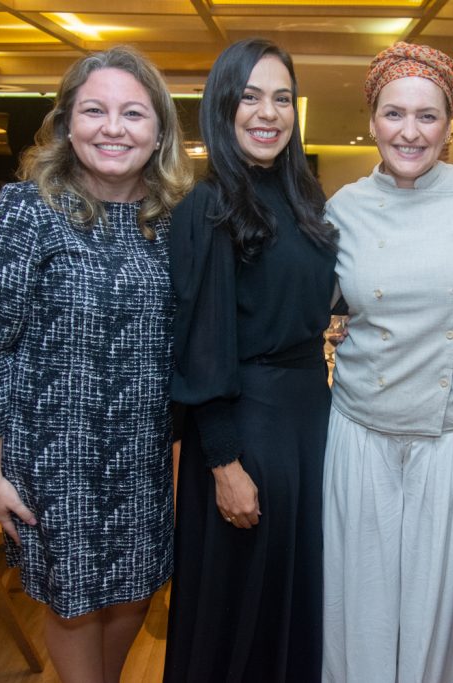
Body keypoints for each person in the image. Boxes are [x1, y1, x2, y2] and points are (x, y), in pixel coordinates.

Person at [0, 45, 192, 683]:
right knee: (71, 602)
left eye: (133, 113)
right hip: (54, 456)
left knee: (132, 591)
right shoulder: (26, 211)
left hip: (144, 456)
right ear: (67, 123)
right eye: (95, 110)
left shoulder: (176, 221)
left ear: (159, 131)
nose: (113, 128)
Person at [322, 42, 453, 682]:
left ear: (450, 123)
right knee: (362, 601)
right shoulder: (341, 208)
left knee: (445, 604)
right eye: (394, 114)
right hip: (362, 431)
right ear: (371, 119)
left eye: (428, 116)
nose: (410, 131)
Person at [164, 38, 337, 683]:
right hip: (246, 429)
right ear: (222, 106)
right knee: (240, 609)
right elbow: (200, 346)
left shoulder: (301, 197)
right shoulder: (208, 205)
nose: (268, 113)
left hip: (307, 417)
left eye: (282, 98)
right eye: (250, 97)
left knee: (293, 599)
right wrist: (224, 462)